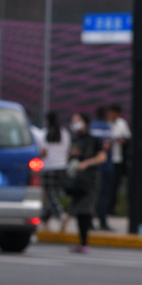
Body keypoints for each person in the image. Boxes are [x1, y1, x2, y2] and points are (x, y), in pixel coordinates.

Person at [64, 112, 106, 251]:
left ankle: (84, 242)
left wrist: (87, 163)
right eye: (73, 121)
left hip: (89, 178)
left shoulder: (93, 139)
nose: (75, 123)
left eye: (77, 120)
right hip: (76, 178)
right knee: (77, 209)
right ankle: (82, 241)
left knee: (85, 208)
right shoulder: (74, 139)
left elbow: (102, 157)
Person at [38, 111, 69, 226]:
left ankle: (61, 214)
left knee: (50, 195)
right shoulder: (64, 133)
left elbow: (43, 152)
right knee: (54, 194)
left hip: (49, 167)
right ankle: (44, 219)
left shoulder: (44, 133)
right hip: (62, 166)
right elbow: (67, 150)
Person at [89, 107, 114, 230]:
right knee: (104, 195)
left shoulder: (92, 126)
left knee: (92, 195)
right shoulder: (106, 128)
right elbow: (106, 146)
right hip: (105, 166)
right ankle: (102, 221)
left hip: (91, 166)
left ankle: (89, 221)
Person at [105, 104, 130, 222]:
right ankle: (103, 209)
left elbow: (127, 138)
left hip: (118, 159)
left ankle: (111, 209)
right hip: (106, 160)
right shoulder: (106, 123)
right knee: (105, 186)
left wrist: (120, 140)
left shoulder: (122, 123)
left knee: (115, 185)